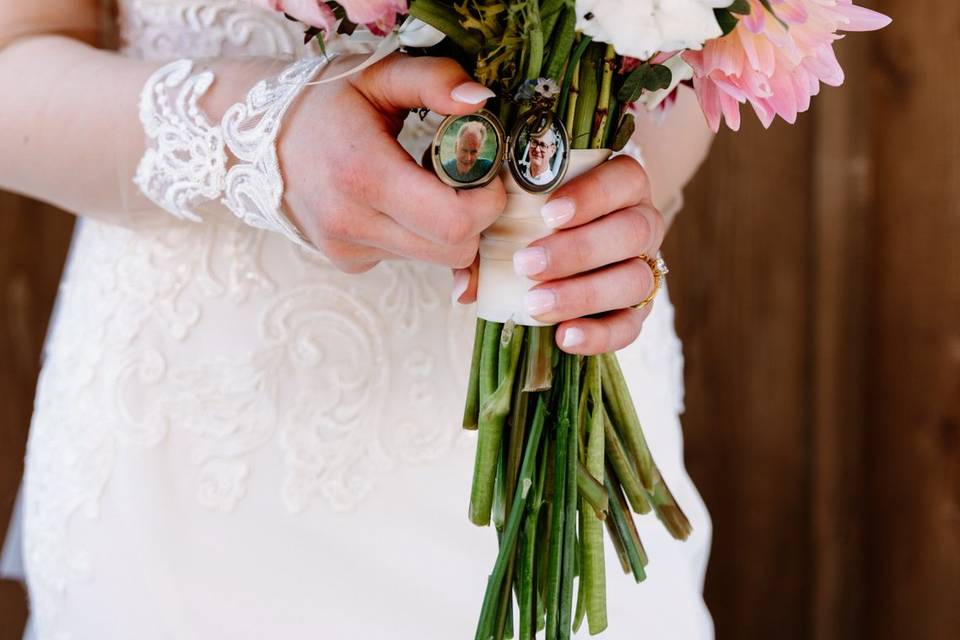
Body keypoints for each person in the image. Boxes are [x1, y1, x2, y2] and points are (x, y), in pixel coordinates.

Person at [0, 1, 716, 638]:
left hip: (560, 386)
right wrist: (260, 139)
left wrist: (599, 201)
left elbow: (690, 58)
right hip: (202, 450)